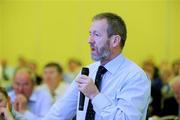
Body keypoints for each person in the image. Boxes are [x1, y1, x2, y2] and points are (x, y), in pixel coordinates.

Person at [43, 12, 151, 120]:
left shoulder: (135, 76)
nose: (89, 40)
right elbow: (60, 112)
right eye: (90, 34)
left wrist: (94, 95)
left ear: (115, 41)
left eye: (96, 34)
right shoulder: (88, 71)